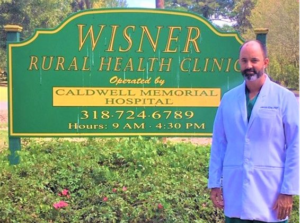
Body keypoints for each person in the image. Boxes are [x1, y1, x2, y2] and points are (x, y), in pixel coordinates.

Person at [208, 40, 300, 223]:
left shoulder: (284, 98)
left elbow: (295, 146)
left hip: (271, 195)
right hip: (235, 195)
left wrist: (288, 190)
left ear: (265, 62)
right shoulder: (228, 99)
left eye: (254, 60)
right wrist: (214, 184)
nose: (249, 66)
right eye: (244, 61)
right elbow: (219, 143)